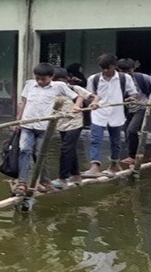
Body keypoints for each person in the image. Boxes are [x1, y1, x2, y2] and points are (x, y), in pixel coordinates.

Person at [14, 63, 79, 195]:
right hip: (27, 123)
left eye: (43, 79)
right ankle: (22, 182)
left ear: (51, 77)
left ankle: (45, 181)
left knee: (39, 154)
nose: (39, 81)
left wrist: (76, 106)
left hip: (44, 127)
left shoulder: (59, 86)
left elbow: (77, 97)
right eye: (37, 78)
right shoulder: (30, 84)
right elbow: (24, 102)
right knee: (25, 150)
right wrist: (18, 120)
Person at [82, 54, 138, 178]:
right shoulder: (94, 79)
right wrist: (93, 102)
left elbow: (133, 93)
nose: (105, 71)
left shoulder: (124, 78)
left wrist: (130, 99)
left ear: (114, 66)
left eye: (108, 68)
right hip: (98, 113)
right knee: (95, 139)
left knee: (115, 140)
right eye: (103, 68)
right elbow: (89, 95)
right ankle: (95, 166)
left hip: (116, 112)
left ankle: (114, 164)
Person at [50, 68, 92, 189]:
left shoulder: (74, 89)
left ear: (66, 79)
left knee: (66, 148)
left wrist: (88, 104)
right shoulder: (52, 90)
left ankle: (62, 177)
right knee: (70, 149)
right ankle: (76, 175)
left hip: (75, 122)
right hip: (61, 123)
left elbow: (93, 97)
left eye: (60, 80)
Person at [117, 58, 151, 165]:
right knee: (127, 131)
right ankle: (132, 154)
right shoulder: (118, 80)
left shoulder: (143, 78)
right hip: (127, 109)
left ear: (133, 68)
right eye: (123, 71)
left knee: (131, 130)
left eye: (128, 71)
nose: (126, 74)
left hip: (143, 107)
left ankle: (132, 156)